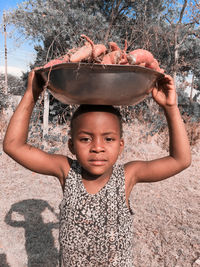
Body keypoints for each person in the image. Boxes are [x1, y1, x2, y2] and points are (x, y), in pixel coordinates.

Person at [3, 70, 191, 267]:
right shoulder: (67, 171)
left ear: (121, 145)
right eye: (85, 139)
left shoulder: (128, 176)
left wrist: (171, 108)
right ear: (71, 146)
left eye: (108, 139)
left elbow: (180, 160)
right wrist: (31, 95)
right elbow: (13, 146)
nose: (98, 147)